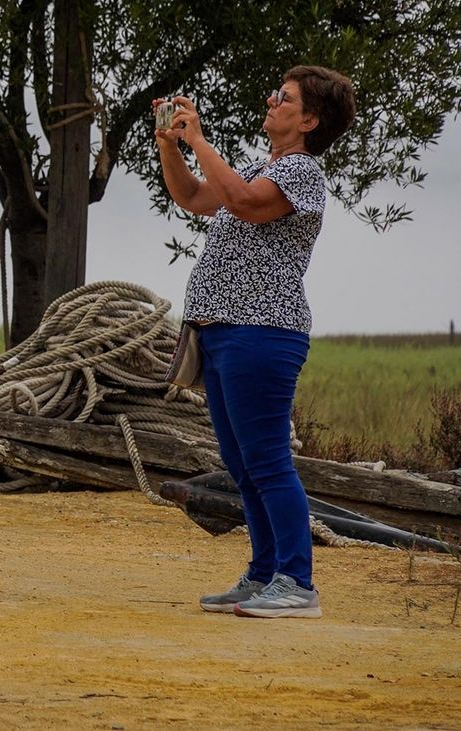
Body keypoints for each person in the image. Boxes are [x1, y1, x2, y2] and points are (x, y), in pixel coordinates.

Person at [155, 65, 356, 619]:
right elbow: (195, 197)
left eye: (284, 98)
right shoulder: (259, 167)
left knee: (267, 460)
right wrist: (172, 145)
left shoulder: (303, 173)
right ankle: (264, 573)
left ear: (310, 119)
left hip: (262, 331)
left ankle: (298, 582)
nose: (271, 100)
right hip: (221, 331)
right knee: (241, 463)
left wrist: (198, 138)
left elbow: (242, 202)